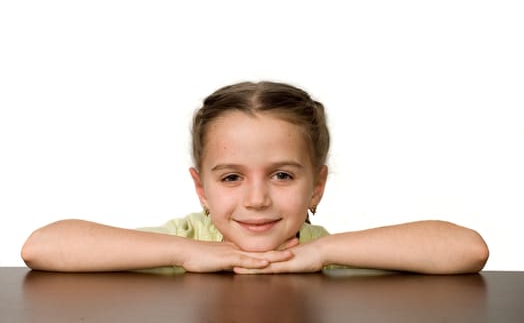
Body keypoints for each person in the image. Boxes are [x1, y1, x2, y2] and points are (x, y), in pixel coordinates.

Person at [21, 81, 489, 274]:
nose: (257, 199)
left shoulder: (318, 251)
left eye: (282, 175)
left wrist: (324, 250)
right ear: (200, 189)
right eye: (230, 178)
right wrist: (185, 252)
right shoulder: (188, 240)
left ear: (317, 186)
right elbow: (41, 247)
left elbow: (468, 249)